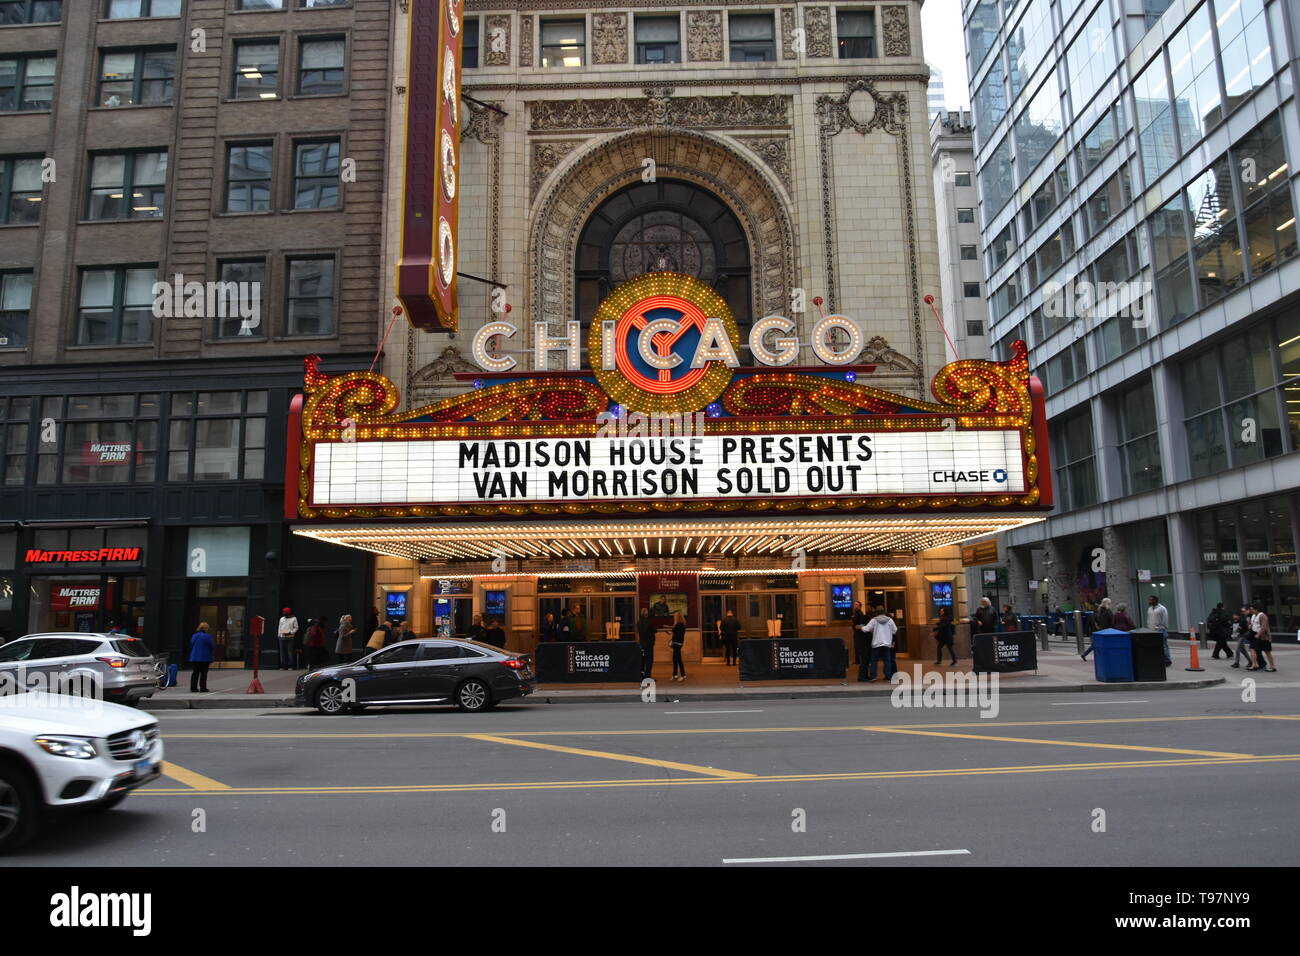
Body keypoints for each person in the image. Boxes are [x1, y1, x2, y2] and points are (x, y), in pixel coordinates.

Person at [864, 606, 898, 681]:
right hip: (886, 643)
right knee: (887, 660)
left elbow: (866, 629)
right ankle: (888, 676)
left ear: (876, 612)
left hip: (876, 643)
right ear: (884, 612)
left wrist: (861, 627)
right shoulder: (890, 620)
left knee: (874, 660)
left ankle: (873, 676)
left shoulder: (874, 620)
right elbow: (895, 630)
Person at [188, 622, 215, 693]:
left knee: (195, 673)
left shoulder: (194, 636)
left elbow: (191, 645)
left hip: (194, 657)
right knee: (203, 673)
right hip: (204, 658)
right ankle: (203, 688)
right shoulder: (207, 636)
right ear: (206, 628)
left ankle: (193, 688)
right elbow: (212, 646)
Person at [1249, 605, 1277, 672]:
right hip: (1255, 635)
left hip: (1263, 636)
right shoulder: (1253, 616)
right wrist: (1250, 626)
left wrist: (1258, 634)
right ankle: (1254, 665)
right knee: (1252, 648)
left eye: (1252, 609)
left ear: (1257, 609)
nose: (1250, 610)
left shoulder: (1262, 616)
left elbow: (1264, 627)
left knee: (1267, 651)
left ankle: (1272, 666)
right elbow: (1253, 624)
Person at [1147, 595, 1171, 666]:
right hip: (1152, 630)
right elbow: (1148, 618)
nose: (1149, 601)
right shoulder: (1150, 609)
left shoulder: (1162, 608)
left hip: (1160, 630)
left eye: (1150, 600)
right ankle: (1158, 659)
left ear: (1155, 600)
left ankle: (1167, 660)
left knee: (1164, 646)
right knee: (1155, 646)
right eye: (1149, 600)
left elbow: (1165, 619)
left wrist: (1162, 627)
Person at [636, 608, 657, 680]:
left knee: (642, 660)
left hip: (642, 643)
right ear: (646, 614)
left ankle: (642, 676)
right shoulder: (649, 622)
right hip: (649, 644)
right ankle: (648, 676)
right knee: (649, 660)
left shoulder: (638, 622)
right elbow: (655, 630)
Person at [670, 611, 686, 682]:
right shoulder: (682, 625)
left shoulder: (678, 625)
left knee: (678, 660)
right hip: (679, 643)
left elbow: (676, 634)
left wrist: (672, 633)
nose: (674, 618)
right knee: (675, 659)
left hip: (677, 643)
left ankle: (683, 675)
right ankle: (675, 675)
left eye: (675, 616)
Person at [850, 600, 867, 667]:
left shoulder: (859, 613)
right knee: (856, 646)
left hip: (859, 632)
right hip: (857, 631)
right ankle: (858, 660)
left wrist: (853, 619)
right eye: (855, 604)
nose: (855, 606)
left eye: (856, 605)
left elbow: (860, 622)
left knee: (858, 646)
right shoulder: (856, 613)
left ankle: (859, 660)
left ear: (860, 606)